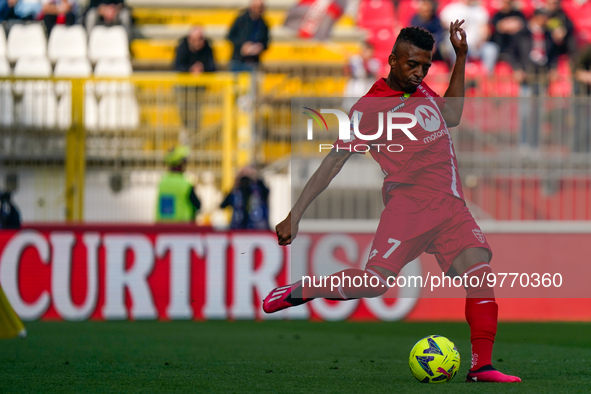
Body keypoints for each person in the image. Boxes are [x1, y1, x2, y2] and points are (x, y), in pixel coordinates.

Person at [263, 24, 521, 383]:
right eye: (412, 65)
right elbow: (333, 162)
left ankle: (482, 367)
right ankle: (303, 290)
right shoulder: (368, 108)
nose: (419, 73)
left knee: (480, 276)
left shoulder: (420, 88)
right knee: (374, 284)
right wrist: (296, 214)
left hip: (450, 205)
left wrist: (460, 58)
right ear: (392, 60)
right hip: (408, 207)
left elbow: (453, 116)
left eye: (425, 67)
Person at [173, 26, 215, 135]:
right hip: (183, 88)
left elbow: (212, 67)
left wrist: (202, 69)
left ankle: (195, 136)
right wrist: (190, 70)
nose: (198, 42)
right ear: (189, 39)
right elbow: (177, 66)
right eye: (195, 39)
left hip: (198, 88)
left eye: (200, 38)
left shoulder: (208, 48)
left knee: (196, 114)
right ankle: (186, 135)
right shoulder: (182, 47)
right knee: (184, 111)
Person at [440, 0, 499, 73]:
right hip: (458, 44)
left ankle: (486, 78)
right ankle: (460, 74)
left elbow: (485, 29)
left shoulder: (480, 10)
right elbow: (444, 26)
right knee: (454, 47)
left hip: (476, 45)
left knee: (491, 49)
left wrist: (481, 41)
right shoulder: (451, 9)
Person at [155, 146, 201, 223]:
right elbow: (197, 205)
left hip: (162, 227)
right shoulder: (185, 184)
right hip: (181, 228)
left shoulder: (162, 182)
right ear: (181, 164)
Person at [226, 0, 269, 72]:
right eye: (257, 7)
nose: (259, 10)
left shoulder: (264, 24)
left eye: (261, 7)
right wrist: (242, 46)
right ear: (251, 7)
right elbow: (230, 36)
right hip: (238, 61)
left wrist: (260, 47)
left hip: (253, 62)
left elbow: (266, 42)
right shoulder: (241, 20)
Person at [490, 0, 527, 66]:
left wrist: (507, 25)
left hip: (517, 45)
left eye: (509, 2)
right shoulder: (497, 15)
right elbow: (499, 27)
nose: (507, 4)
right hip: (503, 45)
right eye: (506, 2)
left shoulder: (518, 13)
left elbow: (522, 25)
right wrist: (513, 24)